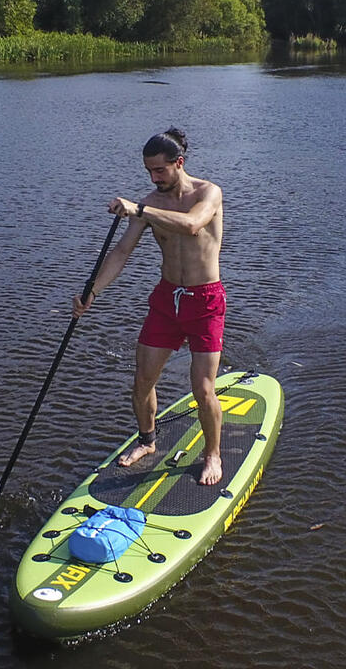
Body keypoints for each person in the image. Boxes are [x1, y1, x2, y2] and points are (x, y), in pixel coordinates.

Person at [72, 127, 226, 485]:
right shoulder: (150, 203)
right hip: (166, 300)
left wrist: (138, 208)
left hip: (205, 301)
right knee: (142, 380)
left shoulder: (209, 193)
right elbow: (122, 251)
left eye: (160, 170)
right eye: (149, 172)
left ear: (179, 163)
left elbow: (191, 225)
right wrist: (92, 290)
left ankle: (213, 454)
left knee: (203, 388)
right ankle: (147, 441)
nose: (154, 178)